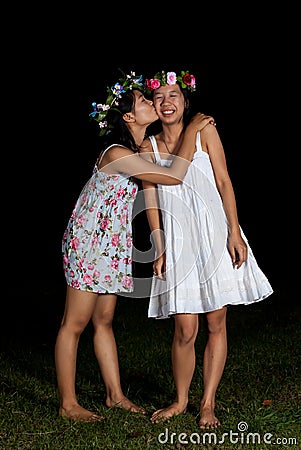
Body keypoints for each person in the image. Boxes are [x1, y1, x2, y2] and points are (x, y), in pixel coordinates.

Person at [54, 70, 214, 423]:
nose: (151, 103)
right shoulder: (115, 153)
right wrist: (192, 130)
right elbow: (173, 175)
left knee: (105, 320)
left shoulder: (138, 149)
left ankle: (115, 396)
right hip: (88, 243)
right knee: (75, 323)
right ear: (128, 116)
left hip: (111, 245)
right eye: (144, 101)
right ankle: (68, 404)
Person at [139, 69, 273, 429]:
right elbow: (150, 197)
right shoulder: (147, 147)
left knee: (216, 321)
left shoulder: (205, 131)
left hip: (214, 233)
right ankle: (180, 400)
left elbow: (224, 180)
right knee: (184, 327)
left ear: (185, 101)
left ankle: (207, 402)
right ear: (152, 105)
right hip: (179, 240)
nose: (167, 103)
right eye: (159, 98)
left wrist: (234, 231)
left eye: (174, 96)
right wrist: (159, 244)